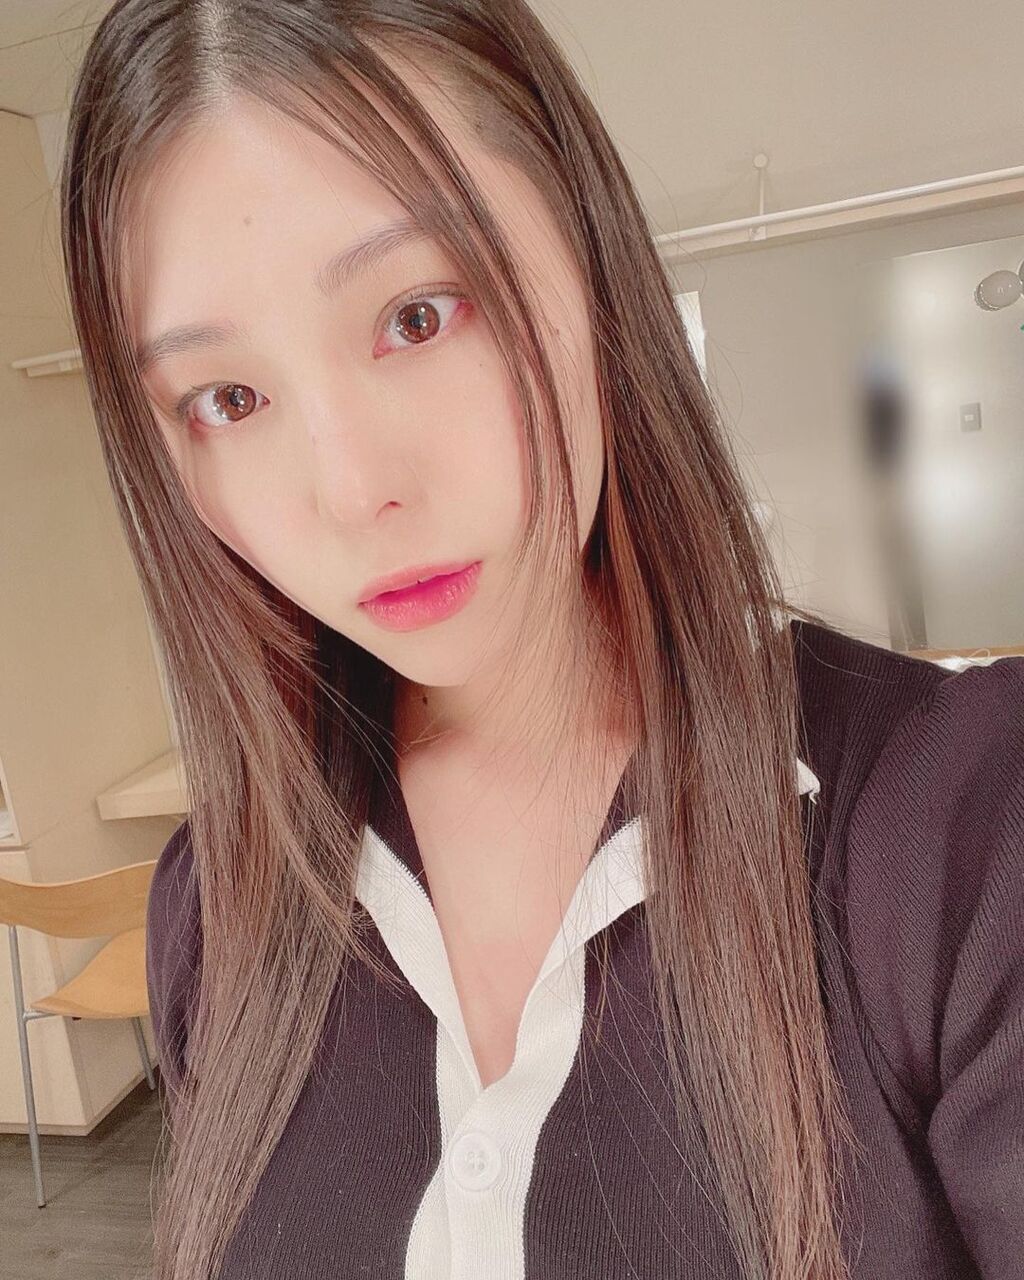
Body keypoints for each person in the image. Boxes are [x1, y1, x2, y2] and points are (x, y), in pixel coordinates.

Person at [58, 2, 1024, 1278]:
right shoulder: (216, 909)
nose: (352, 490)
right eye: (227, 398)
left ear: (590, 254)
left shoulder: (963, 834)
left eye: (417, 315)